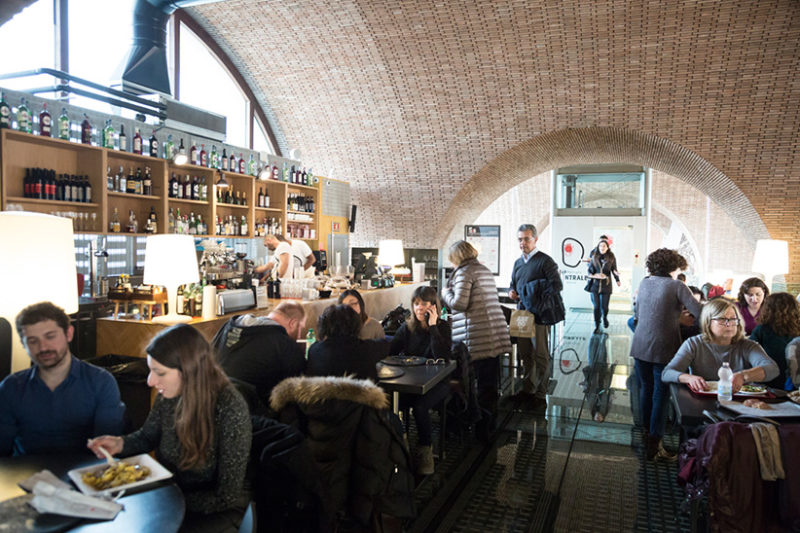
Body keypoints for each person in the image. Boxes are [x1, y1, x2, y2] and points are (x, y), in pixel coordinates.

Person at [89, 324, 251, 533]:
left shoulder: (230, 407)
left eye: (159, 373)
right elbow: (148, 437)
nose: (150, 381)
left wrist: (166, 499)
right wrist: (119, 444)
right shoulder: (169, 395)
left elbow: (226, 496)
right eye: (150, 370)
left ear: (189, 371)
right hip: (172, 496)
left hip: (216, 512)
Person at [0, 302, 124, 456]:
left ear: (69, 334)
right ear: (23, 344)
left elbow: (107, 449)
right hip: (24, 475)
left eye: (50, 337)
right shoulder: (10, 387)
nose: (43, 347)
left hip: (85, 475)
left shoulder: (101, 382)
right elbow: (2, 452)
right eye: (33, 341)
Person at [630, 248, 702, 461]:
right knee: (661, 395)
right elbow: (699, 313)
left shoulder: (644, 282)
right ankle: (655, 443)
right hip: (664, 347)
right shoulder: (677, 285)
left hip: (641, 345)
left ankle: (646, 434)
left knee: (646, 390)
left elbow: (639, 313)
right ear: (674, 267)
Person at [440, 240, 511, 438]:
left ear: (457, 257)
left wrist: (445, 292)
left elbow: (459, 303)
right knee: (489, 385)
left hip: (477, 337)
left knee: (476, 385)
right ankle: (488, 427)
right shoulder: (483, 270)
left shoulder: (464, 272)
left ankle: (480, 428)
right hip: (493, 335)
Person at [389, 285, 451, 475]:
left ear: (433, 306)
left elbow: (442, 356)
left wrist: (432, 327)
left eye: (424, 304)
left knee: (420, 407)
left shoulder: (442, 327)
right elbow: (391, 353)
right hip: (411, 383)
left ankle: (425, 449)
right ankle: (401, 444)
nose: (419, 308)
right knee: (389, 401)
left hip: (438, 382)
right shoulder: (407, 327)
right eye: (416, 304)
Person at [662, 299, 779, 392]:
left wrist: (744, 376)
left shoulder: (747, 345)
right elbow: (667, 373)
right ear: (708, 322)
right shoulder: (694, 344)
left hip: (739, 401)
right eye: (722, 320)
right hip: (703, 400)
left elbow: (773, 369)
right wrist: (689, 378)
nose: (729, 325)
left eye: (733, 319)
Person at [212, 301, 306, 410]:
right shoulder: (285, 344)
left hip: (211, 403)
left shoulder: (228, 326)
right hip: (252, 414)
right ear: (293, 323)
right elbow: (297, 381)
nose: (299, 335)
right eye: (301, 328)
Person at [508, 223, 564, 406]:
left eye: (526, 239)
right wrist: (512, 291)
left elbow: (557, 285)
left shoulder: (545, 261)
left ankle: (540, 393)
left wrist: (530, 289)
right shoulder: (518, 262)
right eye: (520, 239)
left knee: (540, 354)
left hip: (539, 315)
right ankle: (527, 388)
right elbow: (513, 284)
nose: (522, 243)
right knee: (525, 354)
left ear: (535, 239)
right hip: (522, 314)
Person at [306, 304, 389, 381]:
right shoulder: (367, 348)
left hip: (323, 396)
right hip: (363, 395)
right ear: (356, 325)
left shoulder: (314, 350)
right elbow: (386, 345)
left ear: (323, 326)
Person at [749, 292, 800, 390]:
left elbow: (749, 354)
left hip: (766, 383)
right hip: (794, 385)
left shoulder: (761, 330)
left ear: (767, 309)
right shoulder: (798, 329)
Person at [586, 238, 621, 332]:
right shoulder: (594, 256)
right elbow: (589, 270)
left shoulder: (611, 256)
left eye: (604, 246)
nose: (602, 247)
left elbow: (614, 269)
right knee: (596, 306)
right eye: (600, 246)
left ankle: (604, 317)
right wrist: (594, 275)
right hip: (595, 285)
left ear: (607, 247)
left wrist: (617, 278)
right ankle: (596, 324)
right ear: (598, 247)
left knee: (604, 307)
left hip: (606, 284)